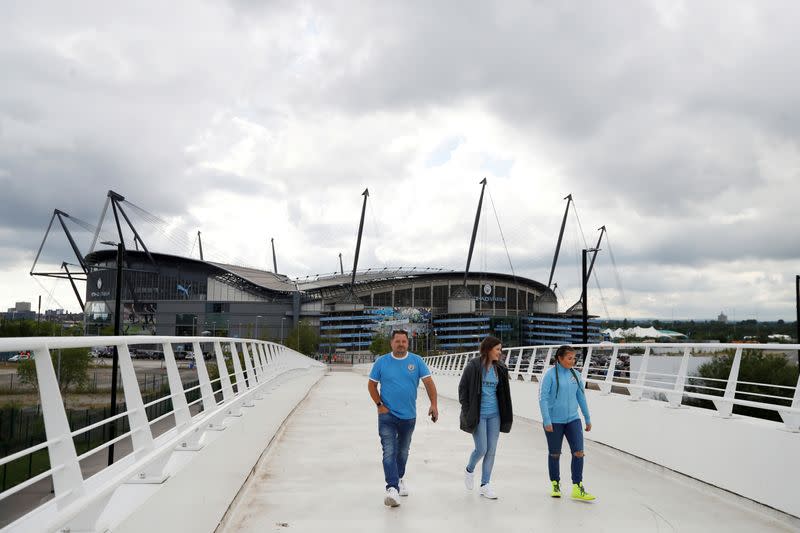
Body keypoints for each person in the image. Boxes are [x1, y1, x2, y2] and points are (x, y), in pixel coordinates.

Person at [368, 330, 438, 507]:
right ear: (391, 343)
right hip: (387, 416)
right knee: (389, 451)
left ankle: (399, 478)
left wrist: (434, 404)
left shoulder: (416, 361)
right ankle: (392, 488)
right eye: (397, 341)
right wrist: (379, 405)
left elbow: (428, 382)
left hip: (408, 416)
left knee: (403, 451)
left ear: (408, 343)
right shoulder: (382, 362)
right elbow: (372, 385)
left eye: (404, 341)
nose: (401, 344)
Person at [458, 336, 513, 499]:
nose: (500, 353)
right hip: (478, 414)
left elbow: (504, 394)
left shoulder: (501, 368)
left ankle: (485, 484)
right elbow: (462, 390)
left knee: (491, 450)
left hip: (494, 414)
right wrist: (468, 411)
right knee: (481, 448)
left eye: (500, 350)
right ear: (488, 349)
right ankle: (469, 469)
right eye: (497, 349)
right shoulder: (473, 366)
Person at [538, 345, 596, 501]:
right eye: (569, 358)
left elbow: (581, 397)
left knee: (579, 452)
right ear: (560, 358)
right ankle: (555, 484)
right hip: (554, 421)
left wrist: (587, 418)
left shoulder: (575, 375)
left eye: (574, 358)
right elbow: (543, 399)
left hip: (573, 420)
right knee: (555, 454)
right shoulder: (549, 375)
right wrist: (547, 420)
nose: (573, 361)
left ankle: (577, 487)